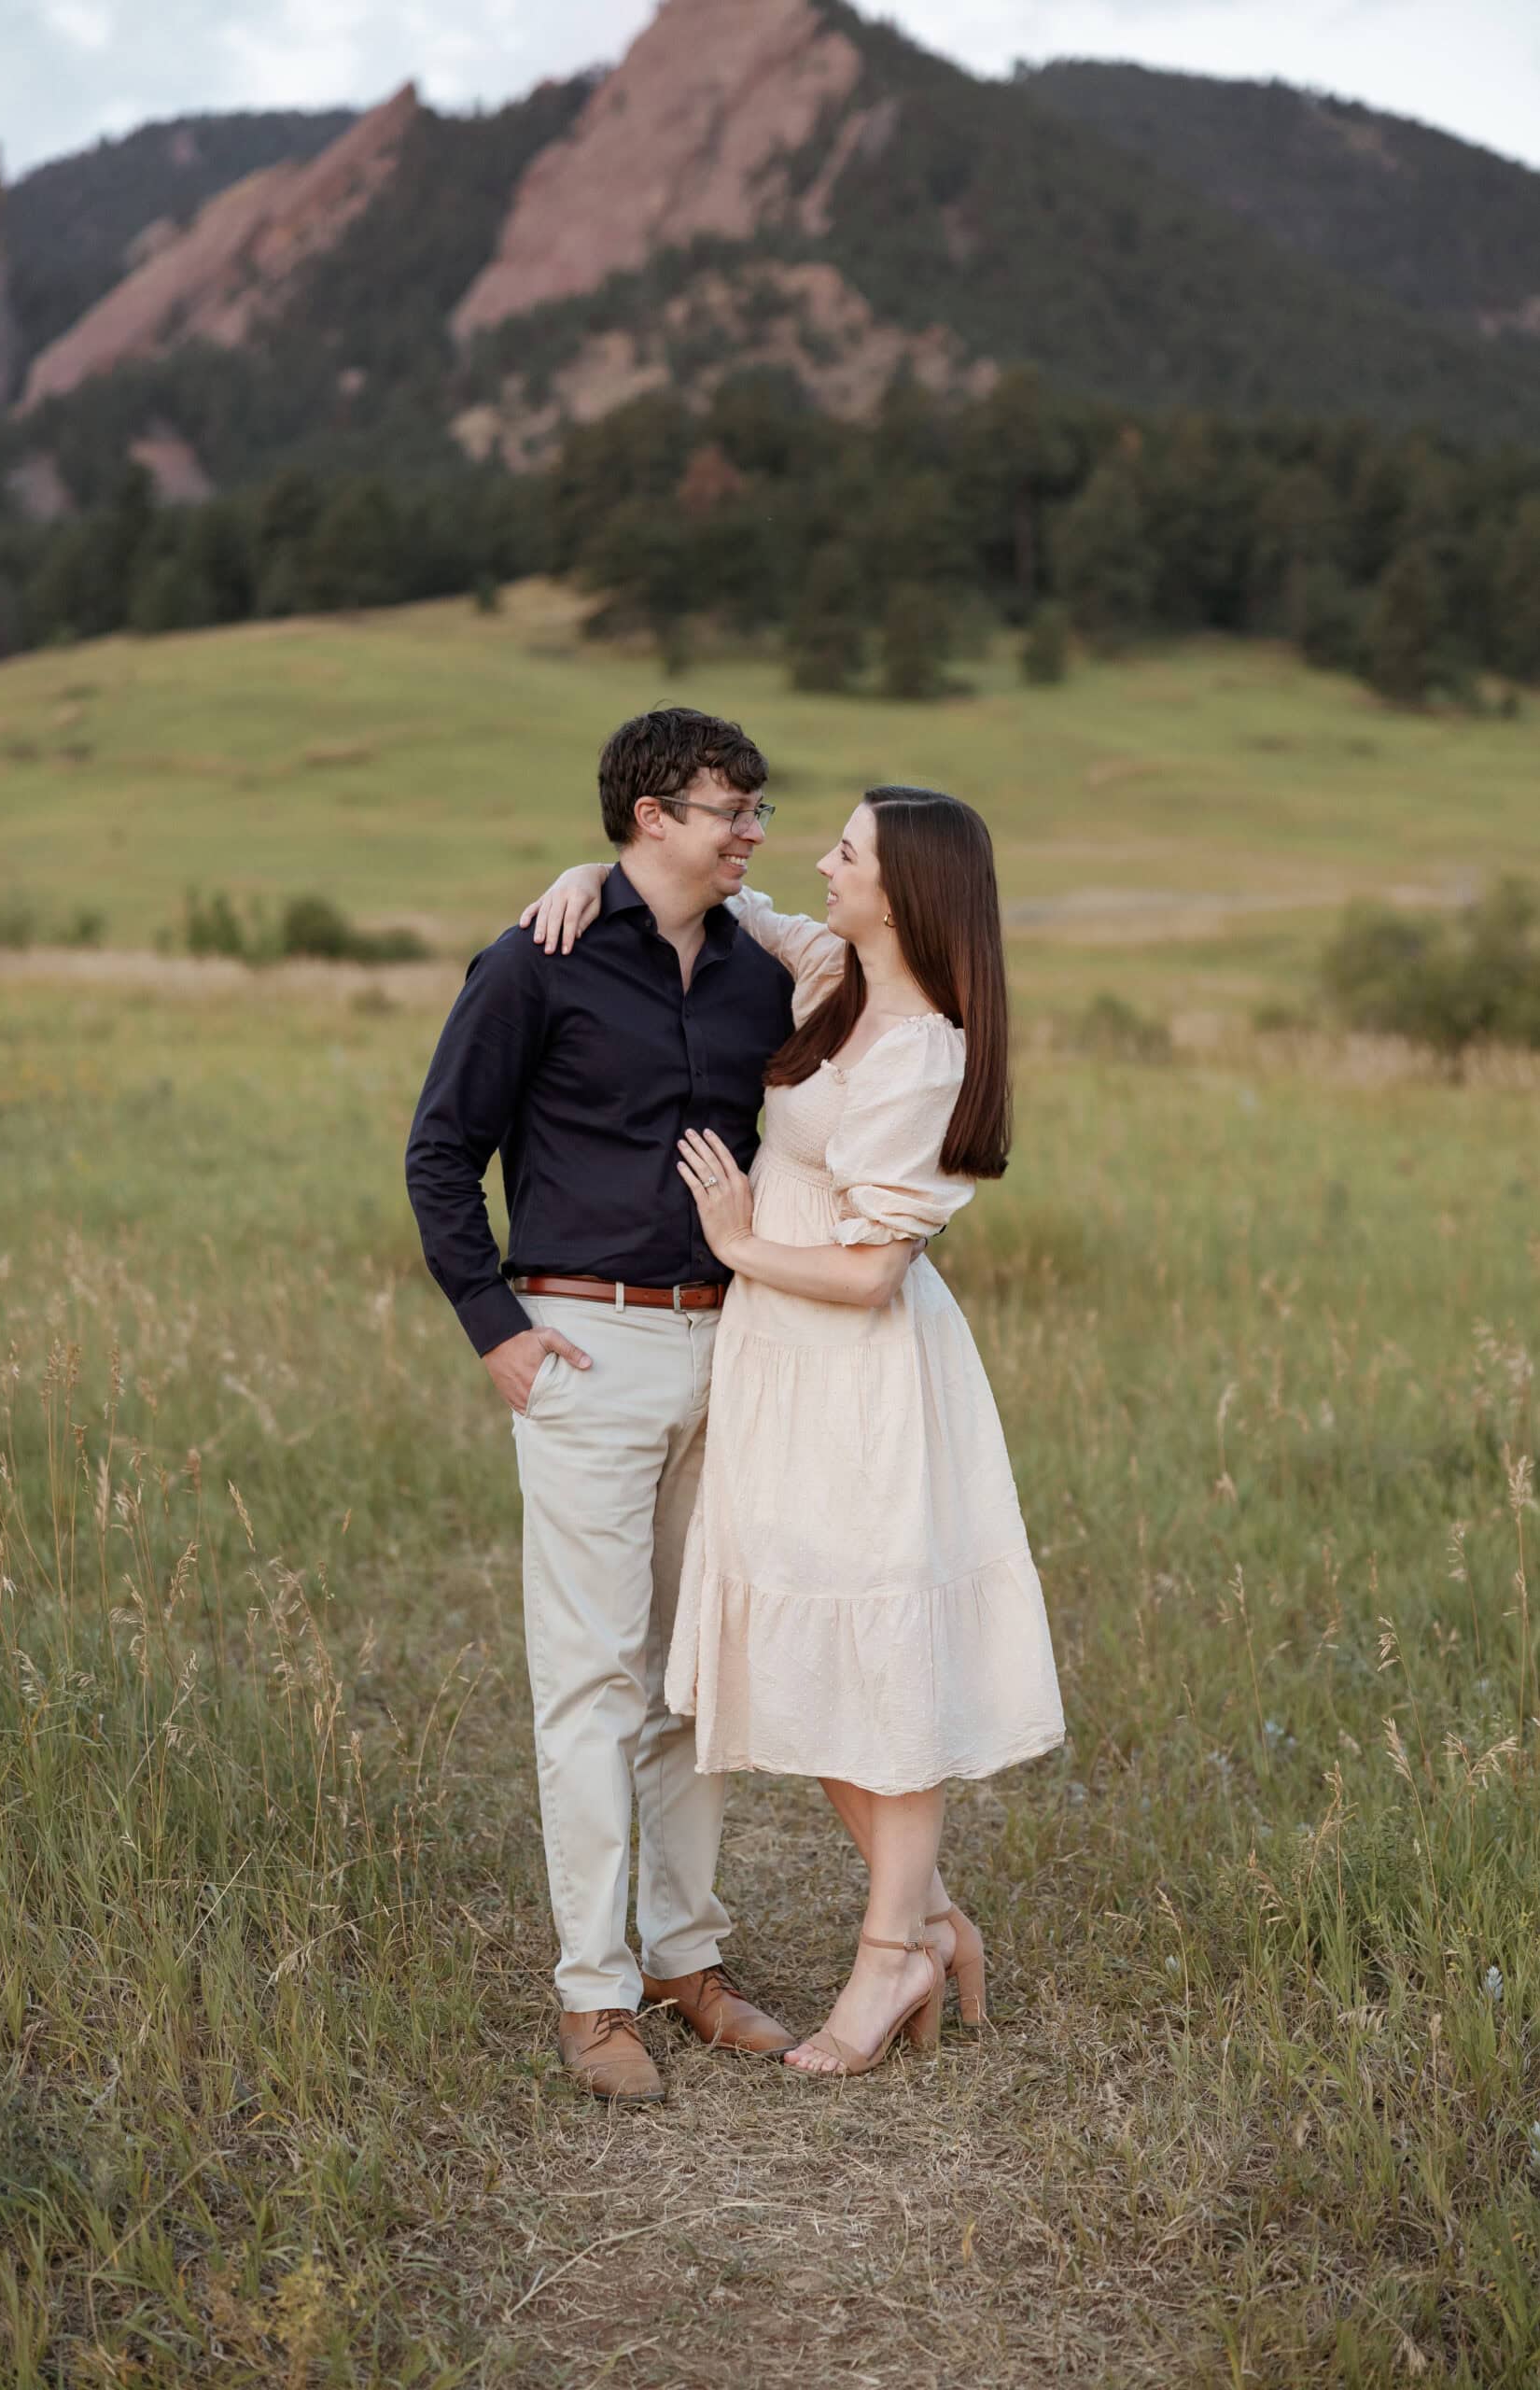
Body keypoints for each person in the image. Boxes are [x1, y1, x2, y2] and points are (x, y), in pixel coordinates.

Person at [527, 786, 1066, 2078]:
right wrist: (585, 878)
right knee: (807, 1659)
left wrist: (737, 1245)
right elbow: (737, 903)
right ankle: (927, 1921)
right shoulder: (834, 976)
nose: (819, 862)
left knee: (871, 1654)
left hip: (861, 1375)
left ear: (908, 890)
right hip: (784, 1365)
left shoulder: (926, 1051)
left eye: (849, 852)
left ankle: (892, 1956)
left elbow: (874, 1272)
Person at [405, 707, 804, 2104]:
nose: (753, 832)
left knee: (694, 1675)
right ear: (651, 817)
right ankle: (594, 1994)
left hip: (733, 1350)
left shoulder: (762, 963)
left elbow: (888, 954)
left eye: (757, 809)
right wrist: (495, 1331)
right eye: (730, 811)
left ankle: (687, 1960)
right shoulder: (540, 959)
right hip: (580, 1345)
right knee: (592, 1677)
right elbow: (440, 1152)